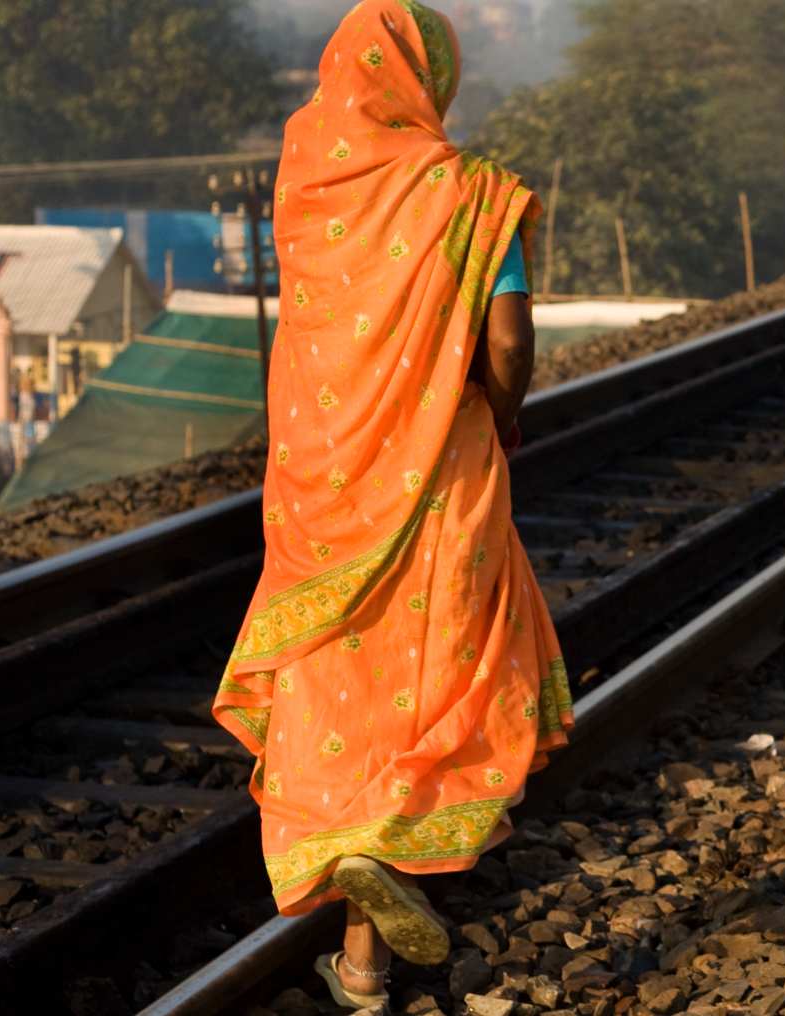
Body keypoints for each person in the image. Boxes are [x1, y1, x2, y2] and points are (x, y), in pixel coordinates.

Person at [211, 1, 574, 1008]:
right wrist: (501, 416)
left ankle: (363, 965)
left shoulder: (306, 180)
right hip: (444, 472)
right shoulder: (470, 199)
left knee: (344, 693)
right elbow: (505, 344)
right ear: (433, 82)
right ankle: (395, 849)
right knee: (444, 673)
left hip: (323, 484)